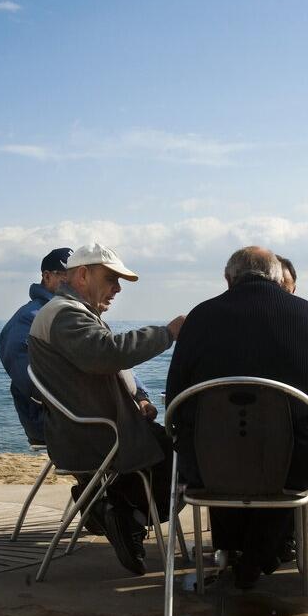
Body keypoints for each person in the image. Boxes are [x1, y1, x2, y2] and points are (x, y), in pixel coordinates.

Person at [166, 246, 308, 588]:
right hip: (291, 463)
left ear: (228, 279)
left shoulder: (200, 316)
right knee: (293, 456)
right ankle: (261, 552)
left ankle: (243, 552)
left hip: (206, 466)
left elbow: (175, 399)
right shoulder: (307, 315)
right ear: (279, 278)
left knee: (223, 447)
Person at [28, 242, 186, 576]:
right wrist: (168, 333)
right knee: (187, 462)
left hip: (88, 433)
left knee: (171, 456)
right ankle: (122, 517)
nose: (116, 289)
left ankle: (111, 510)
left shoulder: (71, 312)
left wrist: (139, 399)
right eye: (111, 279)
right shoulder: (65, 315)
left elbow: (108, 364)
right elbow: (106, 354)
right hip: (101, 437)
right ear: (83, 275)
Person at [0, 247, 73, 445]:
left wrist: (140, 394)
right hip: (50, 418)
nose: (71, 281)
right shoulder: (28, 319)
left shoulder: (75, 315)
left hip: (74, 413)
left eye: (76, 275)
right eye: (64, 275)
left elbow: (107, 355)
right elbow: (34, 383)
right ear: (47, 277)